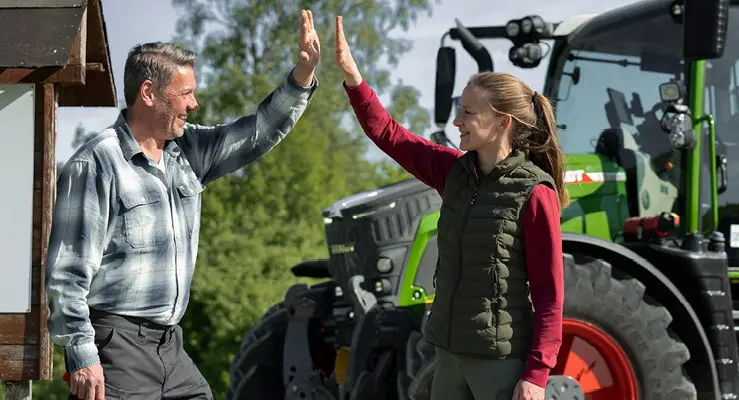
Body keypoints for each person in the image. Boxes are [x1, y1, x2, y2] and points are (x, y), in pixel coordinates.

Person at [45, 10, 322, 400]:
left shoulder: (189, 150)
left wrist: (302, 77)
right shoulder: (96, 163)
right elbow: (67, 274)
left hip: (170, 344)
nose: (194, 104)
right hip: (116, 344)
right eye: (185, 93)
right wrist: (80, 354)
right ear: (148, 93)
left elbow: (257, 132)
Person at [331, 16, 566, 400]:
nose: (457, 121)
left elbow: (549, 294)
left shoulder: (535, 192)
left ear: (503, 122)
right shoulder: (452, 172)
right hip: (447, 355)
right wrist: (354, 78)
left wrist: (537, 375)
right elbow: (389, 134)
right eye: (460, 110)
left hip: (498, 363)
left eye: (469, 113)